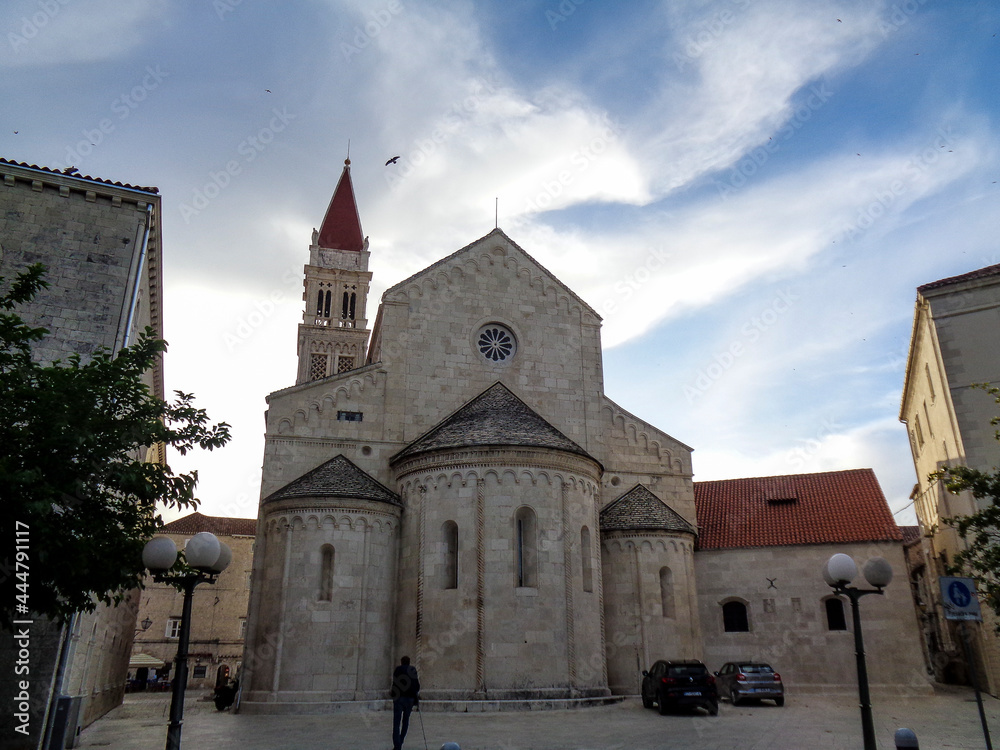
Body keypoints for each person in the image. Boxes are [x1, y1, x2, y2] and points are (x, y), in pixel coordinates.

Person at [391, 656, 420, 750]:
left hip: (399, 698)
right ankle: (401, 740)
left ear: (401, 662)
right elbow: (417, 685)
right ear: (409, 662)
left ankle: (397, 745)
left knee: (396, 723)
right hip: (409, 699)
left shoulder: (398, 669)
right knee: (405, 721)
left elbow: (394, 683)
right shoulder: (413, 670)